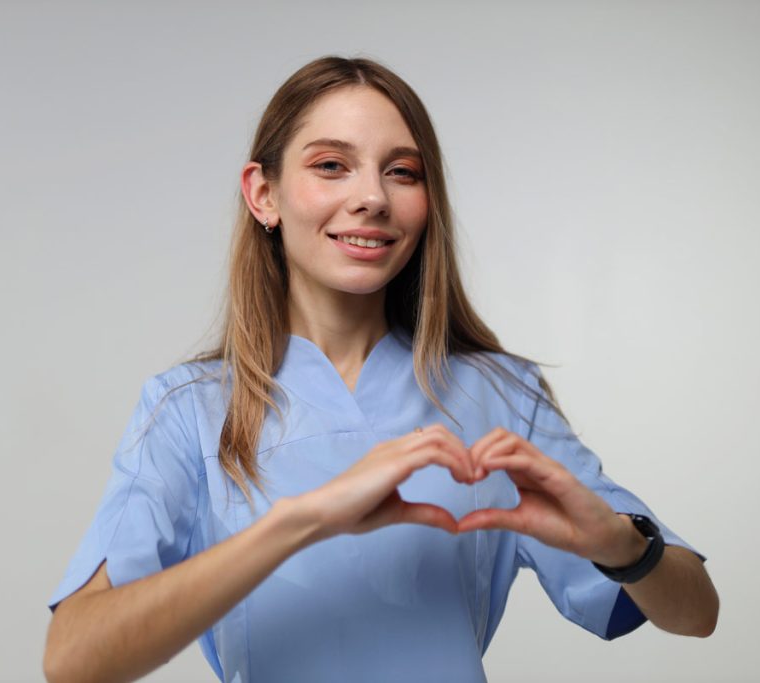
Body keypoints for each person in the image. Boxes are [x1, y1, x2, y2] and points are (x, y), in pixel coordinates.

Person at [43, 55, 719, 683]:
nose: (372, 196)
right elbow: (73, 656)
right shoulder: (188, 410)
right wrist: (299, 520)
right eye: (333, 165)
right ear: (263, 194)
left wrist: (621, 544)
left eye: (402, 171)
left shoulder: (499, 395)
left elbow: (696, 611)